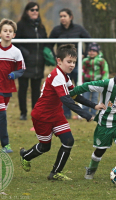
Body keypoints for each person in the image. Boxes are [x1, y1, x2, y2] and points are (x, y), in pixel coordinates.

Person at [19, 44, 105, 181]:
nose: (72, 65)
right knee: (45, 147)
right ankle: (25, 156)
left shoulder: (65, 76)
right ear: (59, 61)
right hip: (42, 116)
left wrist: (94, 106)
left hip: (56, 114)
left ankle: (55, 173)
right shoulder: (57, 76)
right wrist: (86, 114)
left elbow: (75, 95)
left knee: (68, 140)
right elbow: (67, 101)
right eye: (69, 62)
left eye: (74, 62)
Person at [48, 8, 91, 119]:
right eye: (61, 16)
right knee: (64, 90)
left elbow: (90, 41)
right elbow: (48, 45)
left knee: (78, 88)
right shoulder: (56, 30)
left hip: (77, 65)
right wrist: (55, 58)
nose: (62, 18)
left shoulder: (79, 29)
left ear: (70, 17)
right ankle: (66, 114)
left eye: (64, 16)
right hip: (63, 67)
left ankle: (81, 112)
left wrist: (85, 55)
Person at [0, 18, 25, 153]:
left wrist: (14, 74)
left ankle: (5, 144)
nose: (7, 33)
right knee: (2, 115)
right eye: (5, 30)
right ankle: (6, 145)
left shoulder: (16, 52)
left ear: (14, 35)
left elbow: (21, 69)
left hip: (7, 88)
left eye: (10, 31)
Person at [15, 2, 48, 121]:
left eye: (36, 10)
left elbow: (46, 42)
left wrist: (48, 55)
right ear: (27, 11)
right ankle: (23, 112)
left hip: (38, 63)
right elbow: (15, 42)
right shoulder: (21, 25)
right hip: (24, 62)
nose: (35, 12)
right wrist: (25, 53)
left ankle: (35, 111)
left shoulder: (41, 27)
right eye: (32, 10)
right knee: (23, 88)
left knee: (36, 89)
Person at [78, 42, 109, 118]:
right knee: (85, 98)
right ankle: (85, 113)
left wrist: (103, 82)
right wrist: (80, 81)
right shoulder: (85, 61)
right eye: (90, 51)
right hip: (87, 83)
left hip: (97, 83)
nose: (91, 53)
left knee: (95, 98)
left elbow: (105, 71)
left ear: (97, 52)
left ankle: (93, 113)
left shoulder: (101, 61)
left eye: (94, 51)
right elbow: (82, 71)